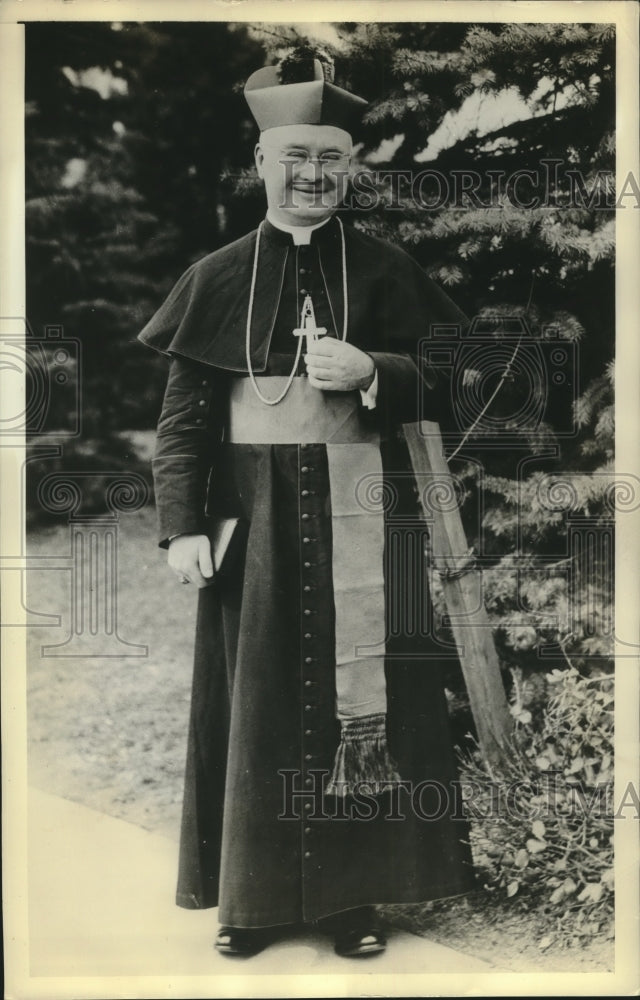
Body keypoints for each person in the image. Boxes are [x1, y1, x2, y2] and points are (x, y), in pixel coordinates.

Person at [139, 56, 475, 958]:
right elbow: (180, 425)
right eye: (296, 157)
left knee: (360, 705)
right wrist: (178, 528)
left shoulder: (387, 268)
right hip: (251, 527)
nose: (313, 174)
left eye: (331, 158)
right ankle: (249, 902)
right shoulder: (213, 276)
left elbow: (467, 378)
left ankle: (349, 902)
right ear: (261, 160)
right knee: (257, 705)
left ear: (350, 164)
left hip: (367, 512)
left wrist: (379, 372)